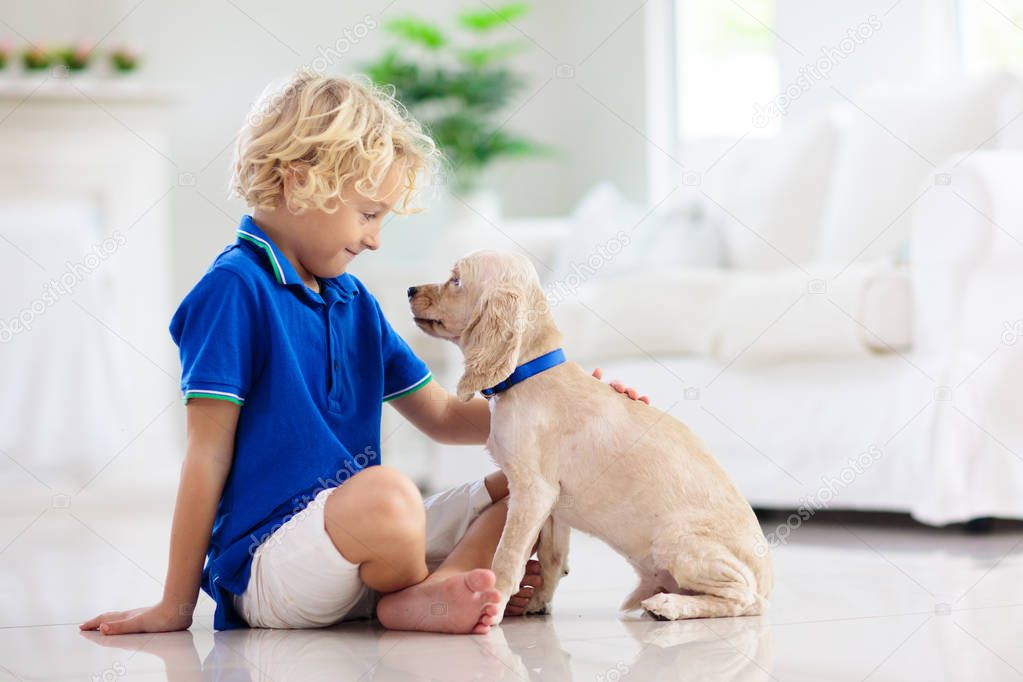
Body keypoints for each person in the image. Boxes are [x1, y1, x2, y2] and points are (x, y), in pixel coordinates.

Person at [80, 71, 648, 637]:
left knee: (521, 485)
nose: (375, 238)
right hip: (272, 567)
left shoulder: (354, 302)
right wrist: (175, 606)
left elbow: (446, 418)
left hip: (362, 548)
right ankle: (420, 590)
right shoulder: (232, 291)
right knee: (391, 495)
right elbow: (205, 456)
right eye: (369, 213)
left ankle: (430, 591)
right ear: (301, 182)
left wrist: (570, 413)